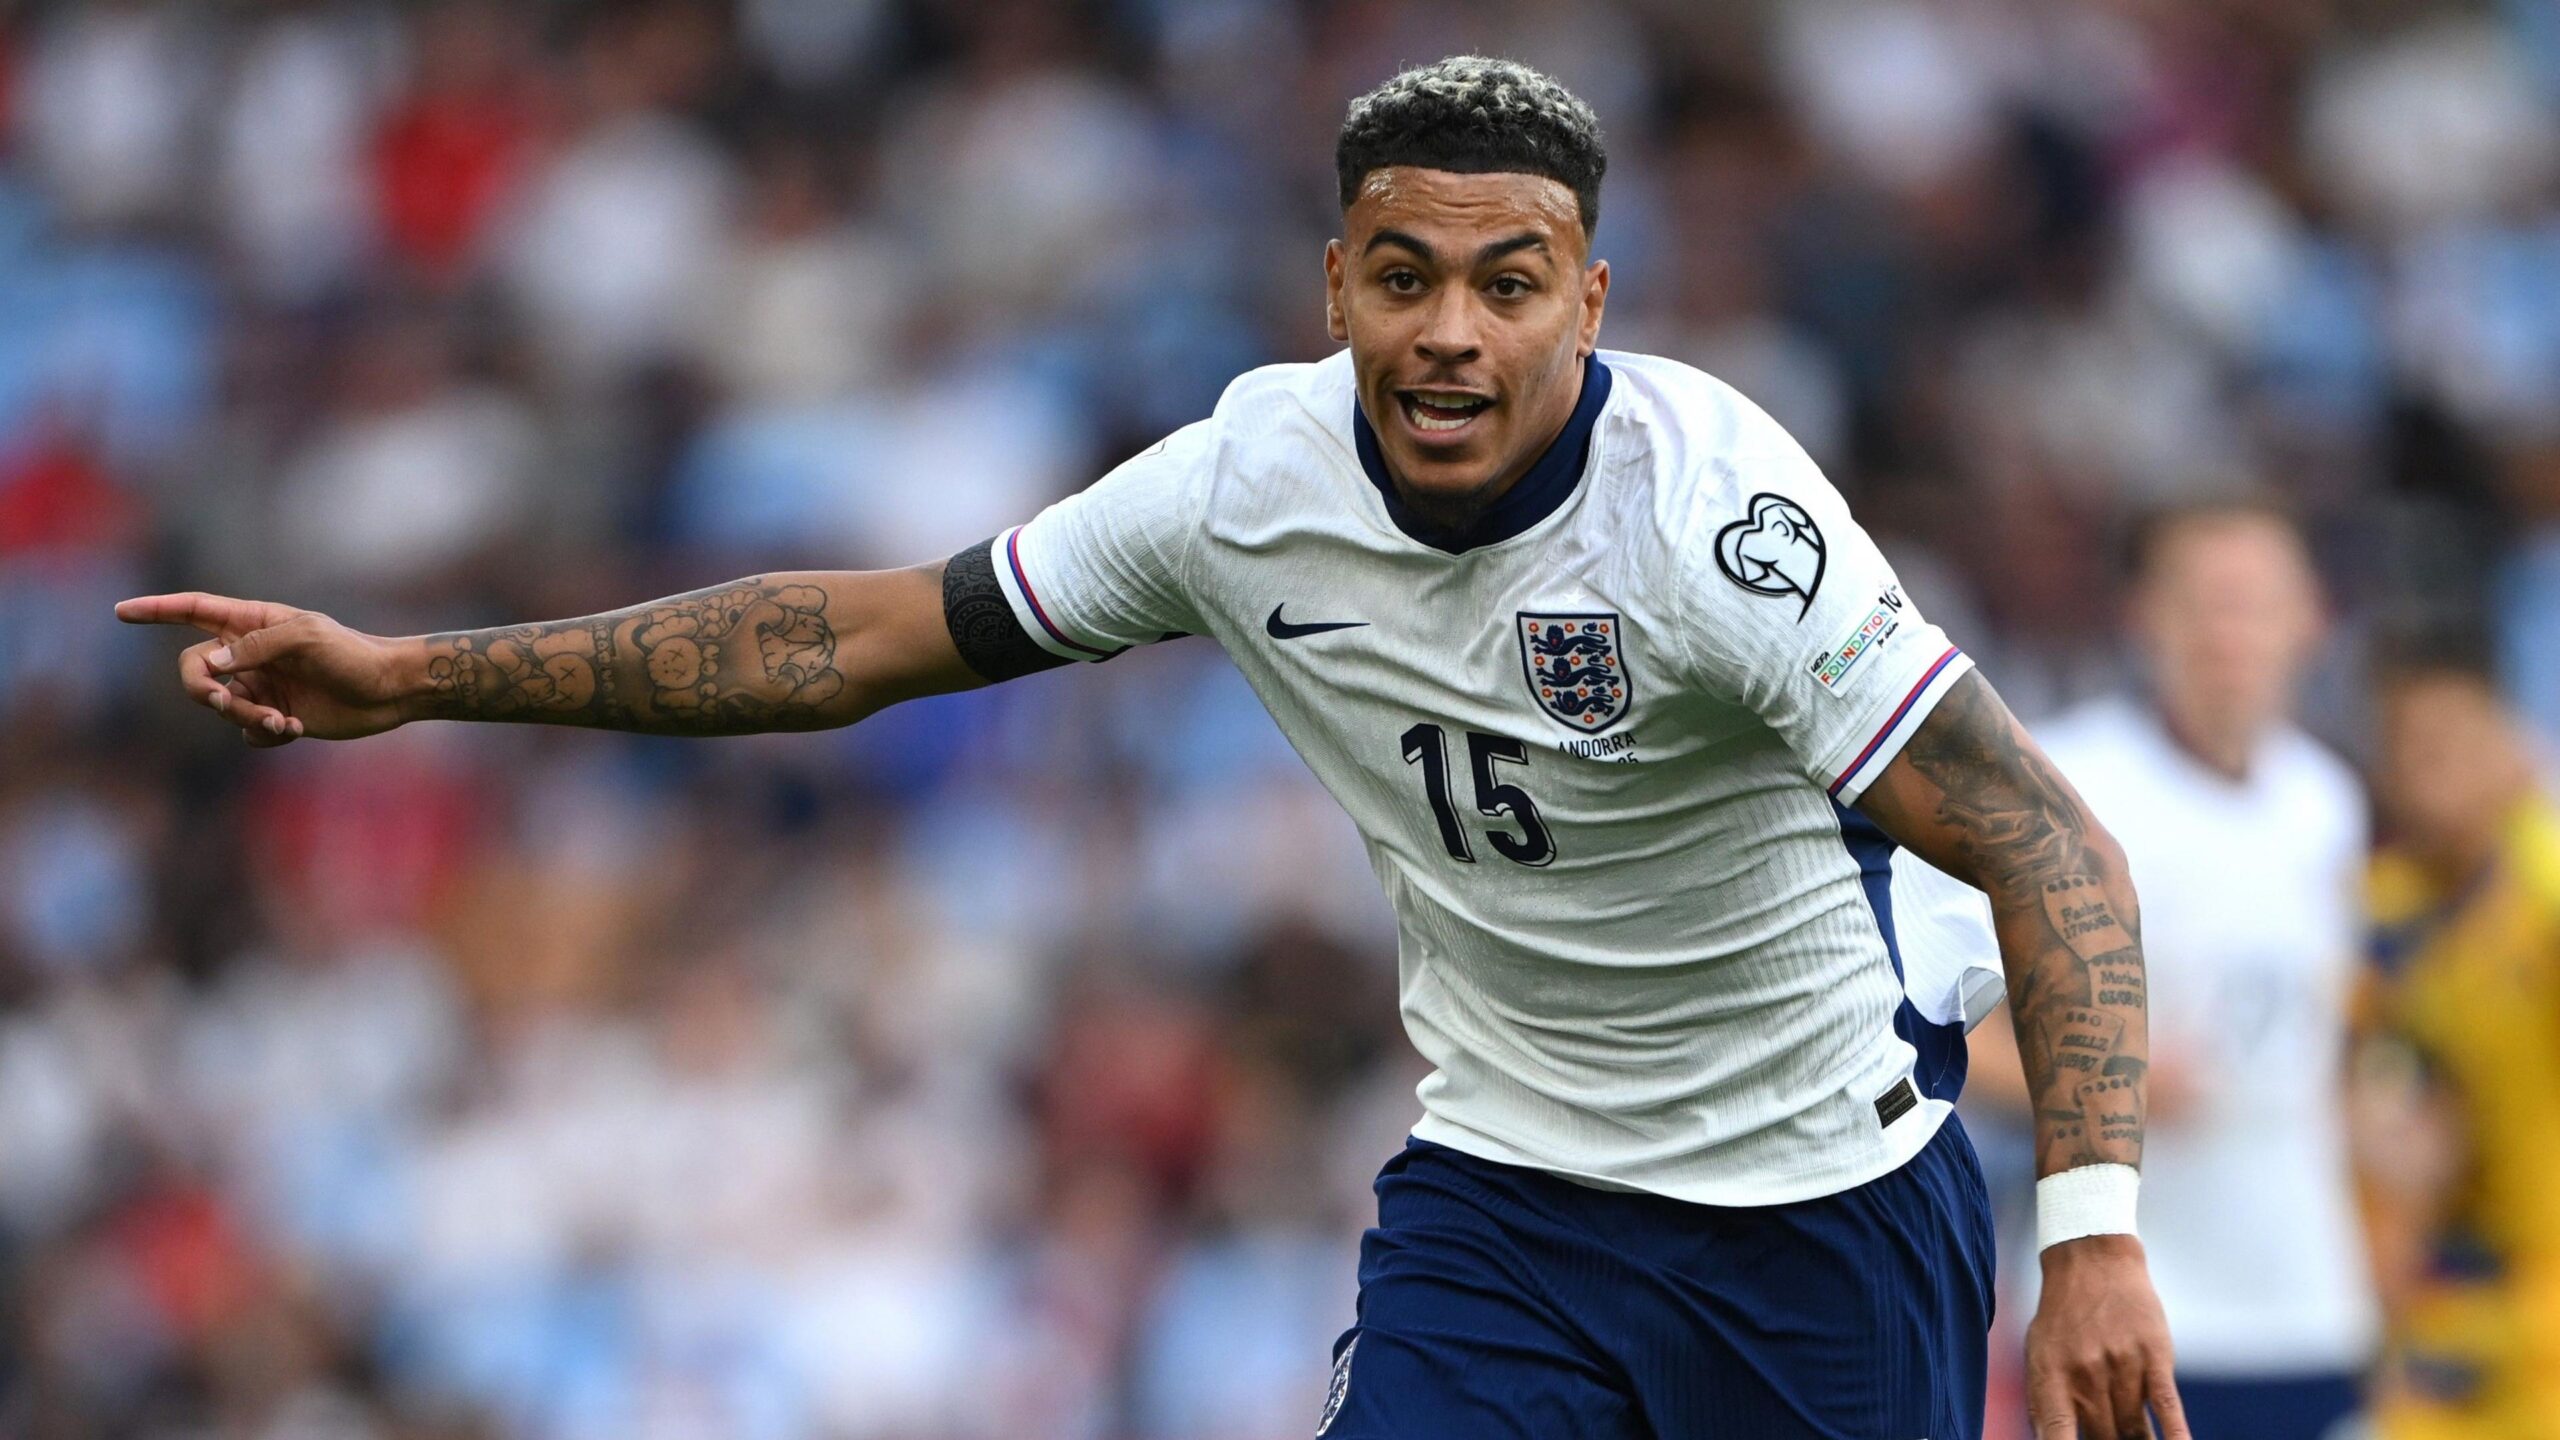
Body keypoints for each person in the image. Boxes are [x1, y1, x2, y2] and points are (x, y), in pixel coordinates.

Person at [120, 57, 2184, 1440]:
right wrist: (418, 675)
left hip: (1814, 1208)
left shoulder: (1719, 524)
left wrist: (2089, 1232)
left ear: (1589, 302)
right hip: (1513, 1200)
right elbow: (858, 640)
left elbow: (2045, 846)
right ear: (1335, 286)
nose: (1449, 332)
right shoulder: (1240, 484)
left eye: (1508, 283)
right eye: (1402, 278)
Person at [1993, 503, 2377, 1439]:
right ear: (2142, 616)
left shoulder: (2327, 803)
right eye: (2203, 602)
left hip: (2313, 1307)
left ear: (2310, 620)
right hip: (2125, 1313)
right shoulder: (2067, 783)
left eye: (2256, 603)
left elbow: (2333, 1031)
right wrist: (2102, 1086)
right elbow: (1939, 1020)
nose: (2228, 633)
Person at [2363, 649, 2560, 1440]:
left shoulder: (2541, 894)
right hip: (2435, 1316)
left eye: (2453, 742)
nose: (2430, 768)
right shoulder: (2377, 908)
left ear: (2510, 748)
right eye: (2409, 748)